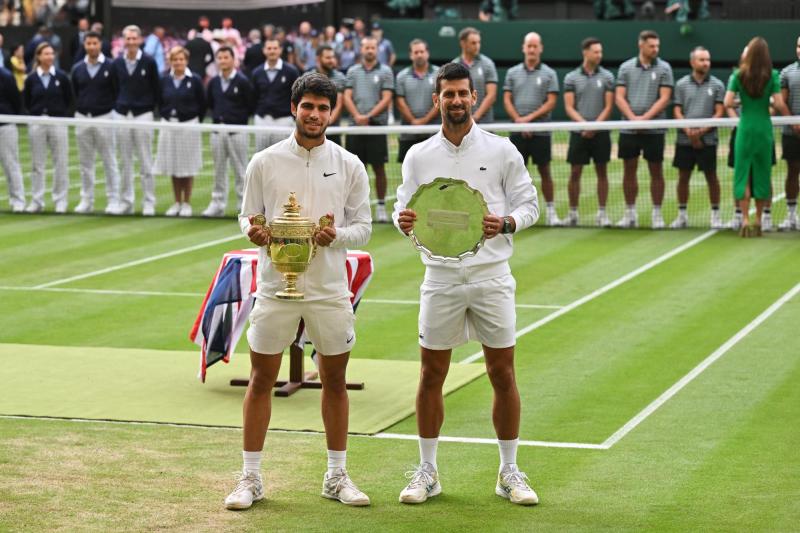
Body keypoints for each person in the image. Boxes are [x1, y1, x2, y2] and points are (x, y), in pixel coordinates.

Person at [393, 63, 540, 506]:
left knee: (502, 372)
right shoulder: (418, 155)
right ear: (435, 100)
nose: (455, 101)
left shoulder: (502, 150)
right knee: (431, 373)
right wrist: (401, 222)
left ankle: (508, 471)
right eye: (447, 95)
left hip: (492, 277)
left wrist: (508, 222)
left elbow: (529, 204)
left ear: (474, 97)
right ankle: (428, 472)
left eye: (462, 94)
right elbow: (403, 210)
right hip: (439, 278)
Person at [224, 72, 372, 510]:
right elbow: (248, 214)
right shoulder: (265, 162)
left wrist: (336, 237)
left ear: (332, 112)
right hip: (274, 286)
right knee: (261, 380)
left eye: (323, 108)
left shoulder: (349, 164)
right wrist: (252, 230)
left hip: (329, 289)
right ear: (294, 108)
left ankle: (336, 475)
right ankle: (250, 478)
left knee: (334, 381)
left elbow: (363, 228)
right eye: (307, 106)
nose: (315, 114)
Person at [724, 37, 790, 237]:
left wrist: (742, 102)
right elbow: (779, 104)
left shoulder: (738, 75)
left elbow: (727, 102)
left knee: (742, 173)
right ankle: (759, 220)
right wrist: (767, 103)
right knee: (762, 173)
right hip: (763, 127)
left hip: (745, 128)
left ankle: (744, 219)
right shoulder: (773, 75)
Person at [615, 30, 674, 228]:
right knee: (629, 170)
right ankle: (630, 213)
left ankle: (657, 214)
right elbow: (619, 97)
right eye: (651, 46)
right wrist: (633, 119)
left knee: (656, 171)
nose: (655, 49)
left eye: (657, 46)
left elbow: (665, 97)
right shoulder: (625, 68)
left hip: (654, 130)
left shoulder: (665, 68)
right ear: (641, 45)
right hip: (629, 129)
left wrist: (645, 120)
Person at [503, 32, 560, 226]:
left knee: (545, 170)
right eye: (529, 46)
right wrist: (519, 120)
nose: (532, 50)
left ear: (540, 48)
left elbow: (551, 102)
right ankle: (514, 213)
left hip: (540, 132)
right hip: (518, 131)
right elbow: (507, 99)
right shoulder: (512, 73)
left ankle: (551, 211)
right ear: (524, 48)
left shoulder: (549, 74)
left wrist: (528, 120)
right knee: (515, 173)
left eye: (535, 46)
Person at [669, 46, 725, 229]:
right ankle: (682, 215)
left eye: (708, 60)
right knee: (683, 177)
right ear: (693, 62)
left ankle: (716, 215)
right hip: (685, 140)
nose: (706, 63)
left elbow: (719, 112)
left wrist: (701, 131)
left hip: (708, 140)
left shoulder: (717, 85)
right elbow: (677, 110)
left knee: (711, 177)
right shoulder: (681, 84)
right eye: (702, 60)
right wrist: (688, 130)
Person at [563, 37, 615, 227]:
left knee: (602, 171)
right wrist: (584, 125)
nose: (599, 55)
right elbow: (569, 107)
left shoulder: (608, 77)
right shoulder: (571, 77)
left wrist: (594, 126)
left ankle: (602, 214)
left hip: (600, 132)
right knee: (575, 172)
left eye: (600, 52)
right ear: (585, 52)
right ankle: (573, 213)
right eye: (596, 51)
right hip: (579, 132)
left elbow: (609, 106)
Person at [343, 36, 394, 222]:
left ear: (377, 50)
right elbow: (347, 96)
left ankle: (380, 207)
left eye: (373, 47)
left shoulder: (386, 71)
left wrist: (368, 116)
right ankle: (356, 209)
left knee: (379, 168)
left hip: (376, 127)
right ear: (361, 49)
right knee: (355, 170)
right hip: (355, 128)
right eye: (367, 47)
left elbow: (387, 97)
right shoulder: (352, 71)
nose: (370, 50)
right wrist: (357, 116)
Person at [71, 30, 122, 214]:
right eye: (88, 43)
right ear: (84, 45)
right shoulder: (77, 68)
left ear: (100, 44)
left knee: (109, 161)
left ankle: (113, 200)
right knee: (85, 163)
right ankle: (86, 200)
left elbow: (117, 91)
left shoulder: (111, 66)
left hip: (105, 117)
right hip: (83, 118)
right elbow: (75, 92)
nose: (92, 46)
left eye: (95, 43)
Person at [112, 25, 160, 216]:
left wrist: (146, 107)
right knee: (125, 161)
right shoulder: (117, 63)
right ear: (123, 41)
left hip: (143, 115)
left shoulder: (148, 62)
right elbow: (115, 88)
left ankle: (149, 202)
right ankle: (126, 201)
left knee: (145, 161)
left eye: (134, 38)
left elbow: (155, 88)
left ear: (140, 40)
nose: (131, 42)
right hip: (122, 114)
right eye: (127, 39)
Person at [153, 46, 206, 217]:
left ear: (186, 61)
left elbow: (202, 104)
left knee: (187, 167)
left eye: (181, 59)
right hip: (169, 125)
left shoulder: (195, 80)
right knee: (174, 166)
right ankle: (176, 202)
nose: (178, 62)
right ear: (170, 61)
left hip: (189, 126)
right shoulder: (163, 80)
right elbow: (160, 101)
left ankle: (187, 203)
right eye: (175, 59)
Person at [203, 45, 254, 217]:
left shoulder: (242, 81)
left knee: (241, 170)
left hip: (237, 131)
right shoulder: (213, 82)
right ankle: (217, 204)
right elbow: (209, 103)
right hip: (217, 132)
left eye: (226, 57)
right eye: (220, 58)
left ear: (233, 60)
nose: (223, 61)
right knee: (218, 170)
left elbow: (250, 105)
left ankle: (243, 205)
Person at [23, 42, 72, 213]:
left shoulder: (61, 77)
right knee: (37, 164)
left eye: (52, 53)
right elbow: (27, 101)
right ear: (38, 56)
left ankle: (60, 200)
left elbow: (68, 99)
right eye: (46, 54)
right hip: (37, 123)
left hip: (58, 122)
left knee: (61, 162)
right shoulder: (31, 79)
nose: (50, 57)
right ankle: (37, 200)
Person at [395, 39, 439, 162]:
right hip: (408, 133)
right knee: (408, 173)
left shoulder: (439, 74)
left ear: (427, 53)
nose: (419, 54)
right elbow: (399, 101)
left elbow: (441, 100)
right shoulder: (401, 76)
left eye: (422, 51)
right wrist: (414, 121)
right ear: (411, 55)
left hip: (434, 133)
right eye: (416, 52)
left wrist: (424, 120)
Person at [252, 38, 299, 151]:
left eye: (275, 48)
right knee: (261, 156)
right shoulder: (257, 72)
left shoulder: (291, 71)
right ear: (264, 50)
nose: (272, 51)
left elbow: (297, 95)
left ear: (280, 50)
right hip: (262, 120)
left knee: (284, 155)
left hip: (284, 120)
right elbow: (253, 97)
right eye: (269, 48)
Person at [778, 35, 800, 231]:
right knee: (792, 171)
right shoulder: (786, 72)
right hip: (791, 132)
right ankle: (791, 215)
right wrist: (794, 123)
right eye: (799, 46)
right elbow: (781, 101)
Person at [453, 27, 497, 123]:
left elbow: (491, 95)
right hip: (460, 123)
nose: (477, 46)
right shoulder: (453, 65)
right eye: (473, 43)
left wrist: (475, 117)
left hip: (485, 124)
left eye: (479, 42)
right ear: (463, 43)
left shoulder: (488, 64)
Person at [0, 61, 24, 212]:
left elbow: (16, 101)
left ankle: (18, 201)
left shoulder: (6, 76)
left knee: (11, 164)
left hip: (6, 126)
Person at [311, 44, 346, 146]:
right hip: (313, 126)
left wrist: (327, 122)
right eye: (328, 57)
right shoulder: (308, 77)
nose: (332, 60)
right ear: (318, 59)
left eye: (332, 57)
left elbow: (339, 104)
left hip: (333, 128)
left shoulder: (340, 77)